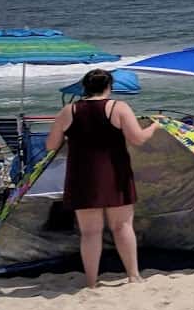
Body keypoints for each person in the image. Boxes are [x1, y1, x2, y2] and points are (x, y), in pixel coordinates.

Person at [45, 69, 160, 289]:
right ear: (109, 86)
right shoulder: (118, 107)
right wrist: (155, 126)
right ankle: (133, 275)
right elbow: (138, 139)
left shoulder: (69, 110)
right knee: (122, 225)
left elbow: (51, 145)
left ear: (84, 87)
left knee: (89, 232)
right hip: (115, 173)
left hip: (82, 176)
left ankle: (90, 281)